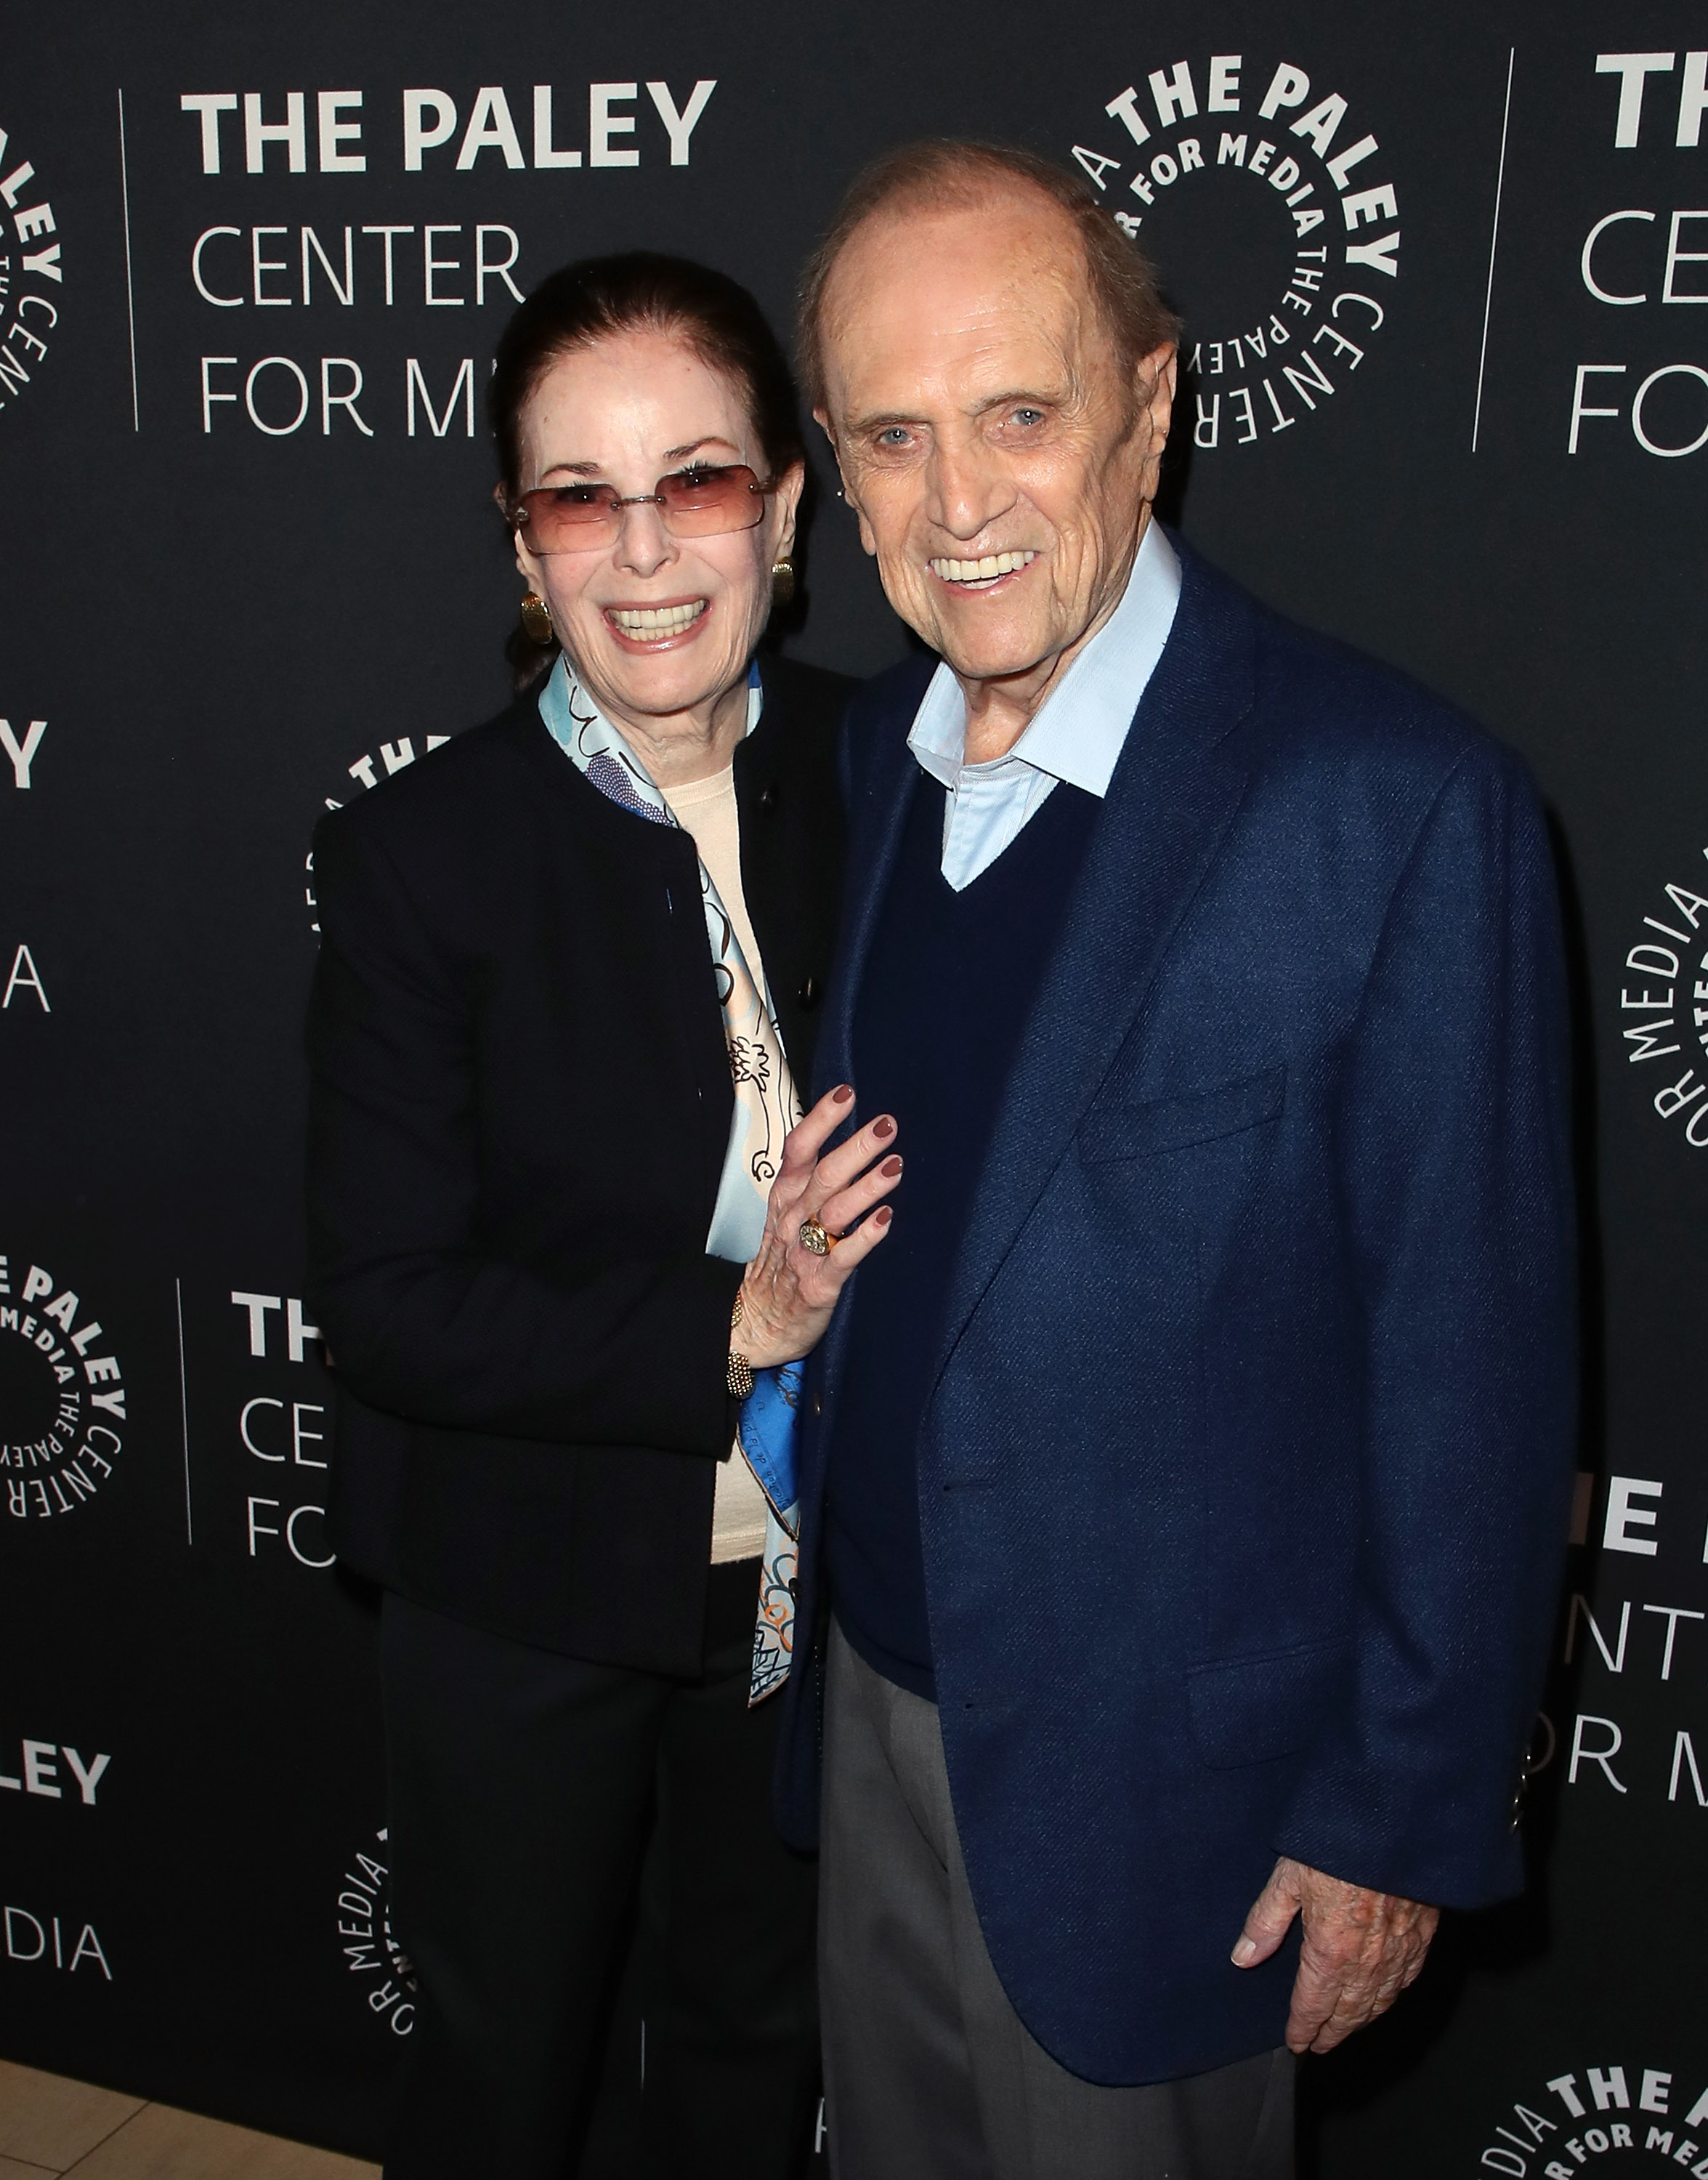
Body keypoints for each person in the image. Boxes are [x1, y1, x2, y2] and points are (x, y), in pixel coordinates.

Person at [774, 142, 1576, 2180]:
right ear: (840, 474)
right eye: (893, 434)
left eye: (1020, 415)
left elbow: (1471, 1368)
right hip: (873, 1712)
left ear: (1154, 404)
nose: (958, 503)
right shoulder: (877, 754)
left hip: (1172, 1795)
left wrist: (1394, 1814)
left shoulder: (1396, 808)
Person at [304, 252, 901, 2180]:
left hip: (814, 1595)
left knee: (751, 2050)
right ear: (521, 540)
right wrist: (733, 1324)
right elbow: (389, 1302)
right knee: (502, 2081)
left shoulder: (895, 772)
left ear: (789, 507)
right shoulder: (422, 853)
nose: (646, 551)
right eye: (581, 495)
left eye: (701, 480)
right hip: (518, 1589)